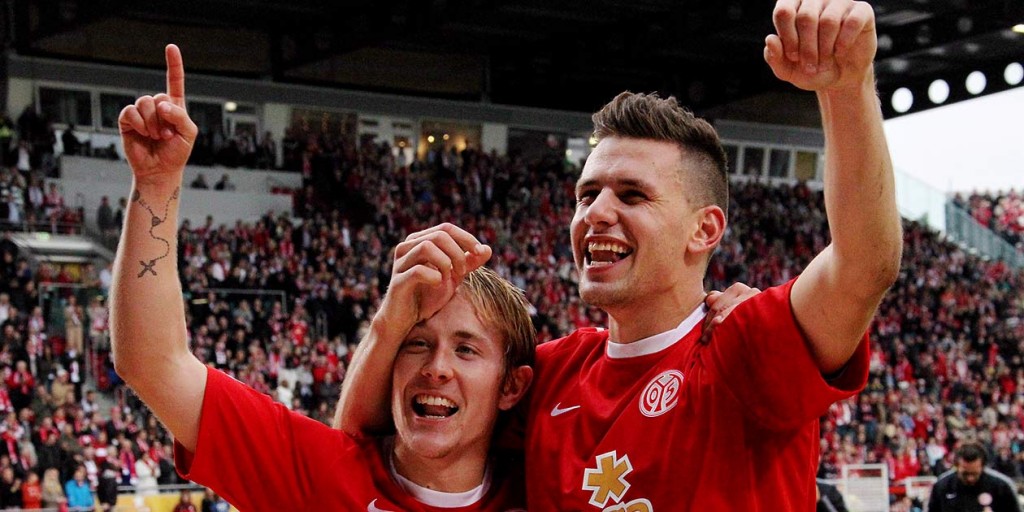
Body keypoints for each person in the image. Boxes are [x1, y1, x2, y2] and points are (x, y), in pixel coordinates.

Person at [337, 0, 903, 510]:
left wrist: (846, 89)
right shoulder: (550, 373)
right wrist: (391, 322)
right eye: (587, 194)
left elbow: (864, 265)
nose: (596, 212)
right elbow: (363, 442)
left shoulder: (744, 345)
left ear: (704, 230)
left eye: (632, 194)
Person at [927, 442, 1021, 512]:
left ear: (983, 466)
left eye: (974, 473)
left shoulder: (1002, 487)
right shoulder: (942, 486)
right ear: (956, 466)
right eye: (965, 474)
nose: (970, 478)